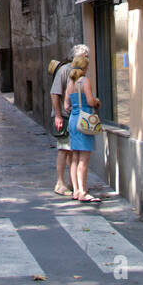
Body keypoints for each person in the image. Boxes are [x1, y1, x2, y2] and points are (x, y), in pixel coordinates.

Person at [50, 44, 89, 196]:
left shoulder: (80, 72)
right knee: (64, 150)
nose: (86, 59)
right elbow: (55, 94)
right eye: (84, 57)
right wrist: (58, 115)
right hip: (65, 117)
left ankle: (74, 183)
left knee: (73, 150)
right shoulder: (64, 70)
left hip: (74, 117)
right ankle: (60, 183)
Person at [63, 55, 101, 203]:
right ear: (85, 68)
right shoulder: (84, 81)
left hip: (73, 119)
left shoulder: (70, 83)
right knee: (84, 159)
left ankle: (76, 190)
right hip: (84, 120)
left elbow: (66, 106)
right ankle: (83, 191)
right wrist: (96, 102)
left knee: (74, 157)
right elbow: (91, 101)